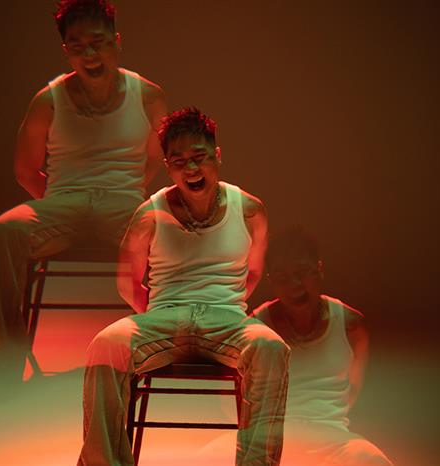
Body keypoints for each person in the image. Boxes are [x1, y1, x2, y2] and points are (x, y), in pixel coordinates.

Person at [0, 0, 167, 415]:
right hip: (65, 201)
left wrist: (128, 192)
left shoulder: (147, 96)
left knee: (169, 230)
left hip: (122, 203)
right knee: (4, 232)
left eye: (98, 43)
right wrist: (62, 205)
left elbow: (159, 157)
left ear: (116, 42)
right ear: (66, 51)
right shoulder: (48, 100)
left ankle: (162, 354)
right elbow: (26, 169)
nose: (90, 54)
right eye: (77, 46)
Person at [78, 108, 290, 466]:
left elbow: (253, 272)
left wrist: (227, 305)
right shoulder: (150, 213)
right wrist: (160, 316)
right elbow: (127, 282)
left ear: (216, 156)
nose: (191, 169)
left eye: (199, 157)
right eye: (179, 162)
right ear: (168, 167)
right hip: (164, 316)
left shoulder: (250, 210)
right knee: (106, 346)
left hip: (226, 318)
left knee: (270, 347)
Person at [251, 225, 393, 465]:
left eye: (302, 272)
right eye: (283, 278)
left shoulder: (350, 325)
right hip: (270, 443)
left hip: (334, 441)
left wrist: (320, 426)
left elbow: (352, 390)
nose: (295, 284)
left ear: (319, 270)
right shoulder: (257, 326)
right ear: (271, 281)